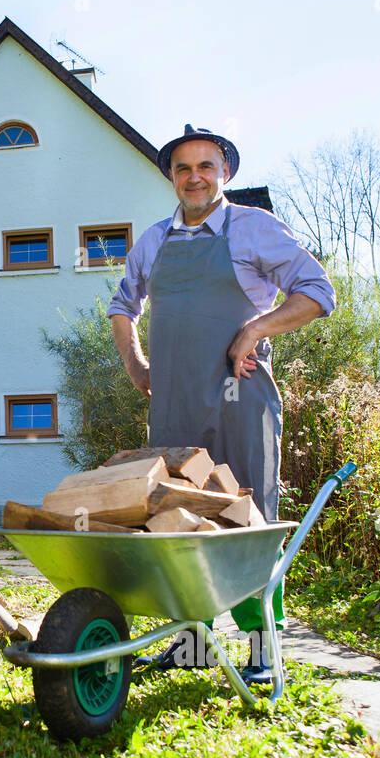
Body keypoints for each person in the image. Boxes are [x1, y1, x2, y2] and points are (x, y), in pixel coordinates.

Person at [106, 125, 336, 684]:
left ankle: (262, 647)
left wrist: (254, 330)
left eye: (205, 166)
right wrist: (137, 366)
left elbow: (317, 292)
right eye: (183, 169)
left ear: (224, 173)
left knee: (248, 517)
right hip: (173, 405)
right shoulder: (154, 240)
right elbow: (122, 304)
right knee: (174, 514)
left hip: (240, 397)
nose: (194, 177)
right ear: (171, 178)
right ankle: (193, 644)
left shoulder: (254, 228)